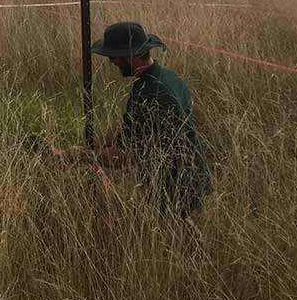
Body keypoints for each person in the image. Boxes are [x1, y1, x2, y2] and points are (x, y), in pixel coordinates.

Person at [90, 21, 212, 217]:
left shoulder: (149, 92)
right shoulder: (168, 76)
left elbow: (123, 154)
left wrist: (84, 156)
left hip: (176, 186)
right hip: (188, 177)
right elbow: (132, 127)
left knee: (172, 242)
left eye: (114, 56)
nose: (110, 61)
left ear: (133, 55)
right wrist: (97, 143)